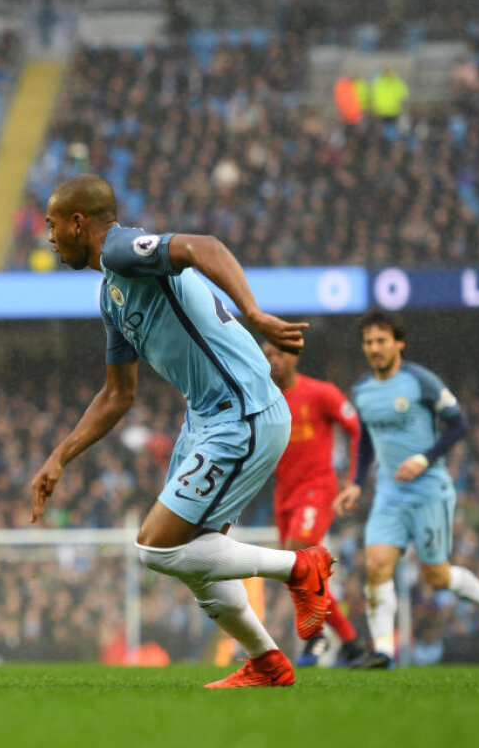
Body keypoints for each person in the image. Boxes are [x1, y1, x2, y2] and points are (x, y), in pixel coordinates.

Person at [29, 174, 332, 689]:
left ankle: (302, 568)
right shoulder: (111, 294)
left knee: (156, 548)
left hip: (242, 413)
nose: (50, 238)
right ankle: (267, 663)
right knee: (196, 558)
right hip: (205, 421)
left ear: (79, 222)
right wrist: (61, 456)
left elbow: (201, 246)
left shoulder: (123, 249)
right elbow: (118, 395)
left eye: (53, 226)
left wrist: (254, 314)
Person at [335, 310, 479, 668]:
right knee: (376, 565)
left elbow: (458, 425)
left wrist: (424, 459)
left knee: (437, 576)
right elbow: (366, 440)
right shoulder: (363, 391)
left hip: (429, 491)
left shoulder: (421, 381)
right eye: (368, 342)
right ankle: (383, 651)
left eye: (381, 340)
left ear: (399, 343)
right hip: (388, 494)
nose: (374, 348)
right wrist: (355, 483)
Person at [263, 341, 371, 667]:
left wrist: (354, 480)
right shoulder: (263, 400)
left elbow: (356, 430)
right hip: (284, 494)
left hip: (318, 489)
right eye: (267, 355)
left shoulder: (321, 393)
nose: (273, 360)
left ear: (294, 356)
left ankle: (316, 635)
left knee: (298, 553)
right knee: (296, 572)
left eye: (279, 353)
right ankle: (350, 641)